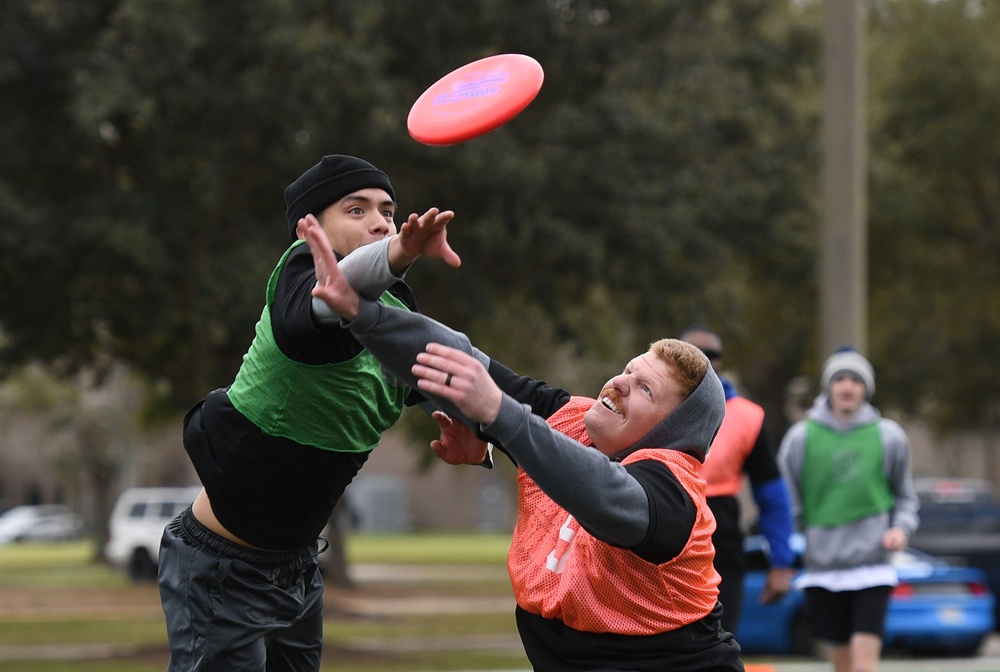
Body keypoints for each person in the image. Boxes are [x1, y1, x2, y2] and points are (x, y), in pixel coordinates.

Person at [299, 217, 746, 672]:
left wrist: (499, 414)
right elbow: (460, 360)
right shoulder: (572, 420)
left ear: (672, 429)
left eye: (646, 389)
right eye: (629, 370)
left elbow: (605, 495)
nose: (620, 384)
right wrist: (360, 310)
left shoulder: (673, 493)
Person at [157, 154, 462, 671]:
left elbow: (452, 378)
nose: (381, 220)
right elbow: (315, 315)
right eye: (356, 208)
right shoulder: (301, 280)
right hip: (220, 566)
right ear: (312, 228)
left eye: (387, 210)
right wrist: (399, 250)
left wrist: (473, 424)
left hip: (297, 567)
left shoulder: (396, 311)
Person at [777, 347, 920, 672]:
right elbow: (786, 506)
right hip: (823, 570)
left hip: (873, 566)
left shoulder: (889, 436)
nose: (847, 386)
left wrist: (901, 528)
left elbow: (906, 497)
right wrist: (786, 555)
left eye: (855, 380)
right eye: (840, 379)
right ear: (829, 387)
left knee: (863, 666)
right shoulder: (801, 438)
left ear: (865, 389)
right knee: (842, 667)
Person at [679, 326, 795, 635]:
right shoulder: (647, 402)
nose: (703, 360)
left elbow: (772, 496)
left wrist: (781, 563)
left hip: (721, 535)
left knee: (718, 637)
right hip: (661, 523)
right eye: (691, 352)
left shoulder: (747, 417)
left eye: (712, 355)